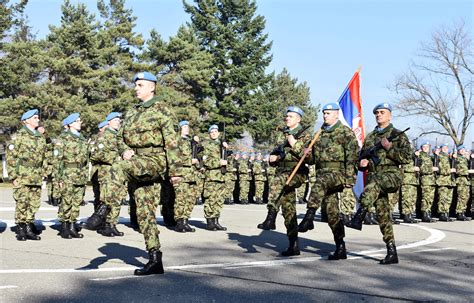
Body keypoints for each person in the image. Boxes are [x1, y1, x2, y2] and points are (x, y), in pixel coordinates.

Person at [88, 71, 181, 275]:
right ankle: (155, 258)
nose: (136, 89)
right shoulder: (131, 112)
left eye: (140, 85)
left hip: (154, 161)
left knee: (117, 168)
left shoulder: (163, 110)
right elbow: (119, 138)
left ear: (152, 87)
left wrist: (175, 172)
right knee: (144, 212)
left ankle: (104, 209)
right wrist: (124, 150)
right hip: (136, 162)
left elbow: (173, 143)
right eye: (136, 85)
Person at [347, 103, 411, 264]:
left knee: (375, 184)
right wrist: (363, 163)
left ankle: (359, 215)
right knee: (383, 215)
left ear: (389, 115)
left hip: (391, 175)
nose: (378, 115)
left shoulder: (397, 135)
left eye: (382, 112)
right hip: (374, 179)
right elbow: (361, 158)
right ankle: (392, 251)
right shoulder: (370, 137)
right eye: (376, 112)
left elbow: (406, 158)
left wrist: (389, 147)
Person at [299, 103, 359, 260]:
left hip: (337, 173)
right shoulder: (319, 133)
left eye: (328, 113)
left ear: (336, 115)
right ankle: (340, 246)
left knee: (320, 182)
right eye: (324, 113)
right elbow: (312, 160)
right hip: (322, 174)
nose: (325, 116)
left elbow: (352, 157)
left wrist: (350, 178)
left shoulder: (345, 132)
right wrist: (307, 154)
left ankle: (309, 217)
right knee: (332, 212)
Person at [258, 106, 310, 256]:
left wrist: (294, 143)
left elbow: (309, 157)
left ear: (299, 119)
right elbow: (275, 154)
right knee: (289, 210)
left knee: (277, 182)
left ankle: (271, 216)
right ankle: (293, 245)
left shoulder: (305, 135)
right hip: (282, 172)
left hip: (297, 172)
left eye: (291, 116)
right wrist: (272, 158)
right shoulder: (282, 135)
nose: (287, 118)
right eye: (286, 116)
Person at [6, 109, 46, 241]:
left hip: (36, 175)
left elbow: (44, 156)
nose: (37, 119)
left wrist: (44, 172)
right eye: (34, 117)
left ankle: (29, 226)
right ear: (26, 120)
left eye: (37, 117)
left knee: (34, 202)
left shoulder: (40, 137)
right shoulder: (18, 136)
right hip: (22, 174)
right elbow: (11, 157)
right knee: (22, 202)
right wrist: (13, 176)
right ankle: (21, 228)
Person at [87, 113, 126, 236]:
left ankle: (111, 224)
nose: (118, 122)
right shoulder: (103, 136)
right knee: (107, 200)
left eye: (119, 120)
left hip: (119, 173)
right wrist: (116, 157)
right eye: (115, 120)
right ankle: (103, 225)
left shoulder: (119, 137)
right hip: (108, 173)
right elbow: (95, 155)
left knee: (117, 200)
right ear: (108, 122)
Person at [54, 113, 89, 239]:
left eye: (80, 120)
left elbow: (86, 160)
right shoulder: (62, 139)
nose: (80, 122)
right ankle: (64, 227)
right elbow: (57, 161)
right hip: (67, 174)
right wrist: (58, 179)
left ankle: (73, 226)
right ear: (69, 124)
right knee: (66, 201)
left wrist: (85, 176)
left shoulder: (82, 139)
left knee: (76, 201)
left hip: (80, 175)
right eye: (77, 121)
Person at [173, 120, 200, 232]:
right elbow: (174, 158)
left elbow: (199, 155)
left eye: (188, 127)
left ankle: (185, 221)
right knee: (181, 199)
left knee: (190, 199)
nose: (187, 128)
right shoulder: (176, 141)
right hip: (181, 174)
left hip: (191, 175)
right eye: (184, 127)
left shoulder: (190, 142)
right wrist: (190, 160)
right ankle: (179, 222)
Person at [201, 124, 228, 231]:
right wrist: (218, 162)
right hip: (211, 175)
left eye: (215, 131)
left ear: (219, 133)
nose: (214, 133)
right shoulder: (205, 144)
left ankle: (216, 220)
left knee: (219, 199)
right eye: (212, 132)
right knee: (211, 198)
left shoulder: (222, 144)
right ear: (209, 133)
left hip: (221, 176)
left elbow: (226, 160)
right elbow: (205, 160)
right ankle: (210, 221)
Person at [89, 120, 108, 211]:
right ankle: (97, 216)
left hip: (107, 170)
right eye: (106, 127)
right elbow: (92, 154)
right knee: (98, 195)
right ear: (101, 129)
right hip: (97, 169)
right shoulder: (95, 139)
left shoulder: (110, 137)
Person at [418, 142, 436, 222]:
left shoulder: (428, 156)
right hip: (425, 180)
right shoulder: (420, 156)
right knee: (426, 198)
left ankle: (428, 213)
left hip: (431, 180)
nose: (426, 148)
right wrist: (431, 169)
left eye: (427, 147)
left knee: (430, 198)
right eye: (424, 146)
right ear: (421, 147)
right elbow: (420, 168)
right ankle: (425, 214)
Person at [436, 143, 455, 221]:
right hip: (443, 180)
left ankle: (446, 212)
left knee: (448, 198)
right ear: (440, 149)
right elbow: (439, 169)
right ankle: (442, 213)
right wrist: (449, 170)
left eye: (446, 147)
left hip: (450, 181)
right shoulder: (439, 156)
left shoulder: (449, 157)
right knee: (442, 198)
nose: (445, 149)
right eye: (443, 147)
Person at [453, 145, 471, 221]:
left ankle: (463, 212)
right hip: (461, 180)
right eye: (461, 150)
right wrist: (468, 171)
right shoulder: (458, 159)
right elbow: (458, 170)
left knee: (466, 196)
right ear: (458, 151)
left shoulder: (465, 159)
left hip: (466, 181)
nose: (463, 151)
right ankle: (460, 213)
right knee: (462, 197)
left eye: (464, 149)